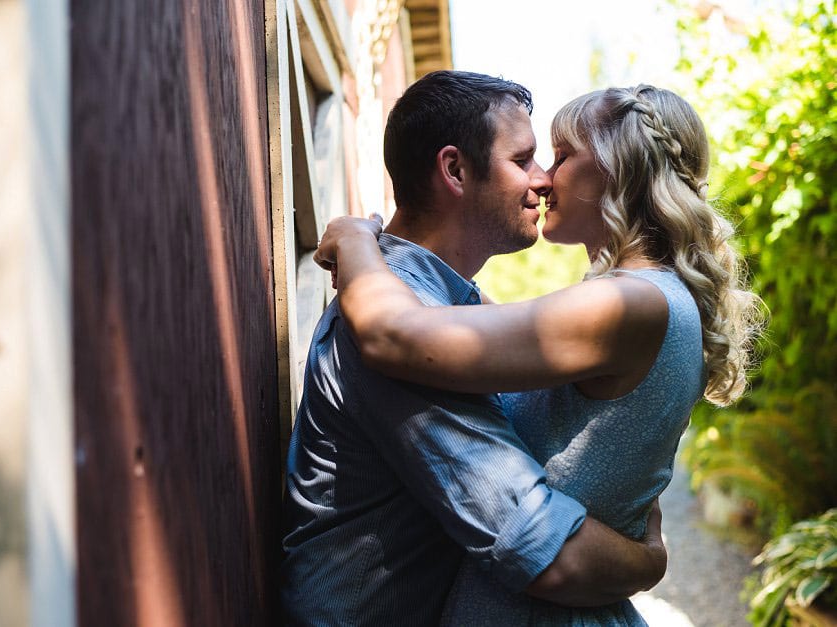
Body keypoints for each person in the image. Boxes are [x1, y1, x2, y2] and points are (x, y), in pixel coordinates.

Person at [312, 84, 763, 624]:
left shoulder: (626, 304)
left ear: (618, 170)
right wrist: (641, 559)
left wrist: (354, 238)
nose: (546, 177)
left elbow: (397, 334)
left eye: (561, 155)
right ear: (454, 171)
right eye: (527, 159)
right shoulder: (653, 299)